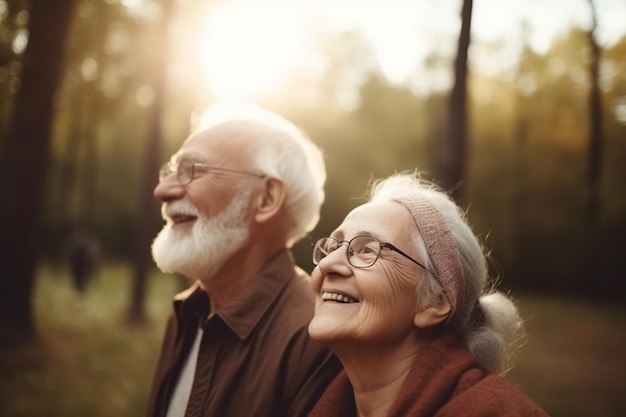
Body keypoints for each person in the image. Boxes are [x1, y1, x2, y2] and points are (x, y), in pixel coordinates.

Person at [146, 102, 341, 417]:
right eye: (170, 171)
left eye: (191, 170)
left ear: (265, 199)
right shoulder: (183, 314)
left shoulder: (315, 341)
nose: (162, 190)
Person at [307, 172, 550, 417]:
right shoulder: (320, 401)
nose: (327, 264)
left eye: (368, 250)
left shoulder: (495, 411)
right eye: (332, 248)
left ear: (433, 301)